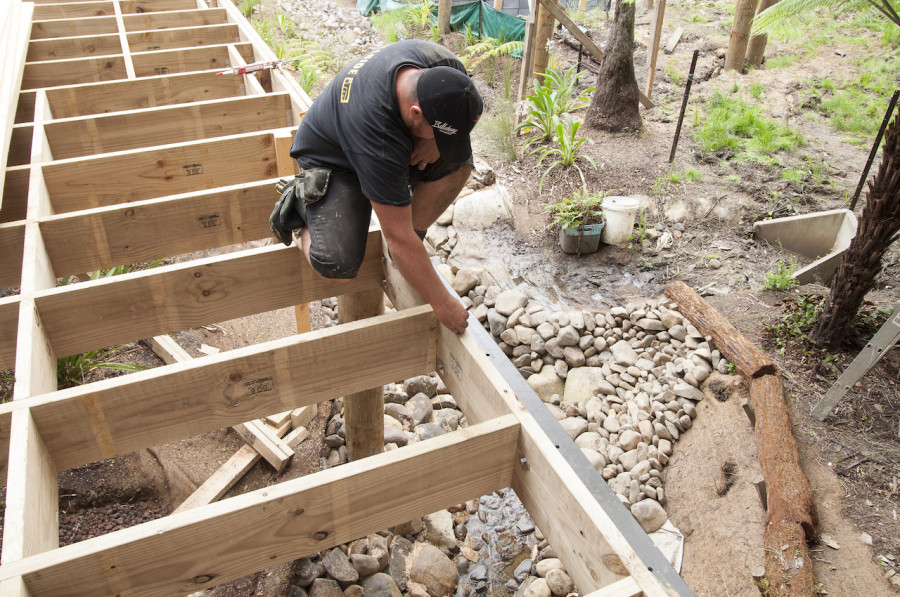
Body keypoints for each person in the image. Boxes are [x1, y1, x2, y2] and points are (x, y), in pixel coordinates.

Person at [269, 39, 483, 335]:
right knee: (335, 266)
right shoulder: (378, 132)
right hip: (334, 160)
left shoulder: (448, 75)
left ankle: (411, 246)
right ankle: (304, 204)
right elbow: (395, 236)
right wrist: (443, 304)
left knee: (458, 164)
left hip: (386, 143)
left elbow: (458, 126)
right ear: (416, 113)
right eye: (437, 133)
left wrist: (433, 142)